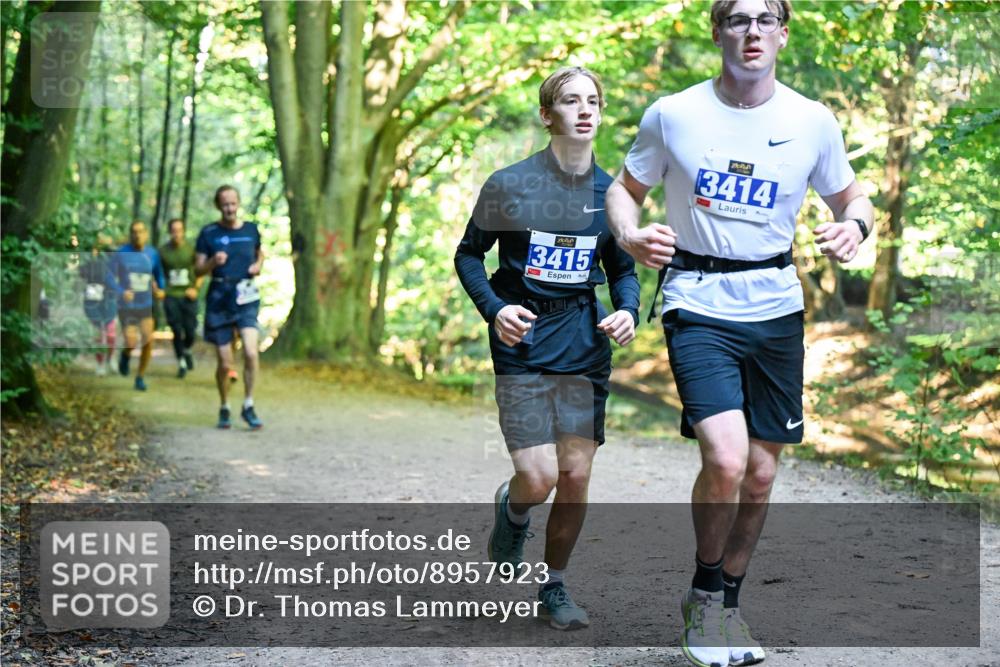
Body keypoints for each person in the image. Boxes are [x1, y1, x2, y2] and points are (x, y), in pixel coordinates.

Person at [605, 2, 875, 665]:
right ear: (717, 31)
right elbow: (624, 189)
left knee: (759, 472)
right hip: (697, 298)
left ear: (783, 33)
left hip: (776, 304)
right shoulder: (674, 114)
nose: (750, 32)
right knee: (725, 457)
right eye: (736, 19)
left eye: (764, 20)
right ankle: (702, 596)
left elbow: (853, 199)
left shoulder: (812, 121)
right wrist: (631, 235)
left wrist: (857, 228)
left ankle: (727, 599)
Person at [455, 67, 640, 631]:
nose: (583, 110)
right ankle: (513, 513)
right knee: (538, 478)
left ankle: (554, 585)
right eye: (569, 101)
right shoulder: (508, 185)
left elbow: (622, 270)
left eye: (592, 101)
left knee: (576, 476)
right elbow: (469, 256)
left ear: (601, 114)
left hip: (584, 342)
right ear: (547, 115)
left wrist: (628, 309)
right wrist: (495, 310)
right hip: (523, 340)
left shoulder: (614, 194)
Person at [195, 185, 264, 430]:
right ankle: (225, 406)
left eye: (233, 203)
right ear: (218, 206)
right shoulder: (209, 233)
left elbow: (260, 254)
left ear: (238, 203)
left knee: (251, 352)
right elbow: (197, 269)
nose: (230, 209)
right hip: (219, 299)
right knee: (225, 364)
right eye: (225, 204)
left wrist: (258, 265)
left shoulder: (251, 230)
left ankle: (248, 404)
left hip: (246, 297)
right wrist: (213, 262)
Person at [111, 221, 166, 391]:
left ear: (146, 234)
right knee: (131, 342)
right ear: (130, 234)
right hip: (127, 305)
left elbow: (160, 276)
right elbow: (109, 277)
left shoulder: (153, 254)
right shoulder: (121, 253)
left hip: (146, 304)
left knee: (148, 340)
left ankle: (140, 377)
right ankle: (126, 355)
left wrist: (161, 290)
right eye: (134, 232)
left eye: (141, 231)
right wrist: (121, 291)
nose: (137, 235)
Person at [159, 218, 203, 378]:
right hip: (171, 295)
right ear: (170, 232)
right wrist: (159, 289)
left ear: (183, 231)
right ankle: (182, 363)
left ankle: (187, 350)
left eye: (179, 230)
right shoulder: (163, 251)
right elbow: (156, 273)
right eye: (173, 230)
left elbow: (201, 271)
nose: (176, 234)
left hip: (188, 295)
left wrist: (195, 288)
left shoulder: (192, 250)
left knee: (190, 330)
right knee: (176, 330)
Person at [78, 235, 118, 375]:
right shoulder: (87, 260)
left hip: (110, 300)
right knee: (98, 335)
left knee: (111, 334)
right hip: (93, 300)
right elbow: (80, 273)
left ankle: (111, 358)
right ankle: (100, 363)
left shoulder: (112, 256)